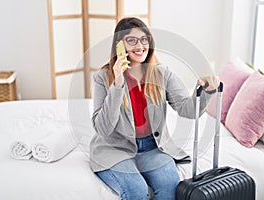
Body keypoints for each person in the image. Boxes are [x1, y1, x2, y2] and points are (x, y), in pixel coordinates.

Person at [90, 17, 220, 200]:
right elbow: (103, 128)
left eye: (144, 39)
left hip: (152, 147)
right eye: (131, 40)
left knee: (170, 187)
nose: (140, 45)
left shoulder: (162, 74)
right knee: (137, 191)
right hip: (115, 149)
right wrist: (118, 82)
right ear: (120, 45)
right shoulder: (103, 77)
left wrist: (207, 91)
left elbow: (188, 110)